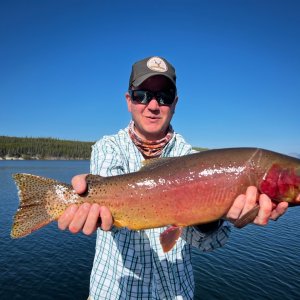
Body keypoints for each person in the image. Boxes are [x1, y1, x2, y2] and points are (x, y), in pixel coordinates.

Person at [58, 56, 288, 299]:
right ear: (129, 100)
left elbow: (210, 244)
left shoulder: (191, 159)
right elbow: (107, 201)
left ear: (175, 103)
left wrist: (208, 214)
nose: (153, 105)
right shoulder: (107, 148)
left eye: (164, 97)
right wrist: (85, 199)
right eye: (142, 95)